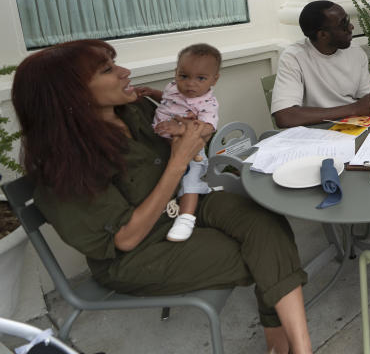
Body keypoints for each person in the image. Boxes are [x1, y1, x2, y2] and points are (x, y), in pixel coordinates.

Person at [11, 40, 312, 353]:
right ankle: (287, 342)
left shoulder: (134, 110)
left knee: (267, 221)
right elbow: (126, 239)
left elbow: (192, 119)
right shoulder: (64, 165)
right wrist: (179, 159)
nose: (125, 72)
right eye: (108, 70)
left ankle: (295, 345)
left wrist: (195, 133)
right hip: (140, 252)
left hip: (186, 204)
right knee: (261, 253)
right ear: (70, 93)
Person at [136, 44, 221, 242]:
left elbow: (208, 128)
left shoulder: (207, 103)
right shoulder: (173, 88)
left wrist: (181, 129)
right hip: (162, 145)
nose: (190, 84)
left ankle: (186, 218)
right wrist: (152, 93)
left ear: (214, 79)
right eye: (184, 76)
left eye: (200, 78)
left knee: (190, 181)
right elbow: (167, 99)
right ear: (176, 73)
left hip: (191, 151)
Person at [271, 1, 370, 128]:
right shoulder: (294, 57)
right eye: (344, 24)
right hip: (314, 133)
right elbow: (285, 117)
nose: (351, 27)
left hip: (353, 128)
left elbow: (366, 100)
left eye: (348, 20)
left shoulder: (355, 52)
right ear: (323, 35)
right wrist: (354, 109)